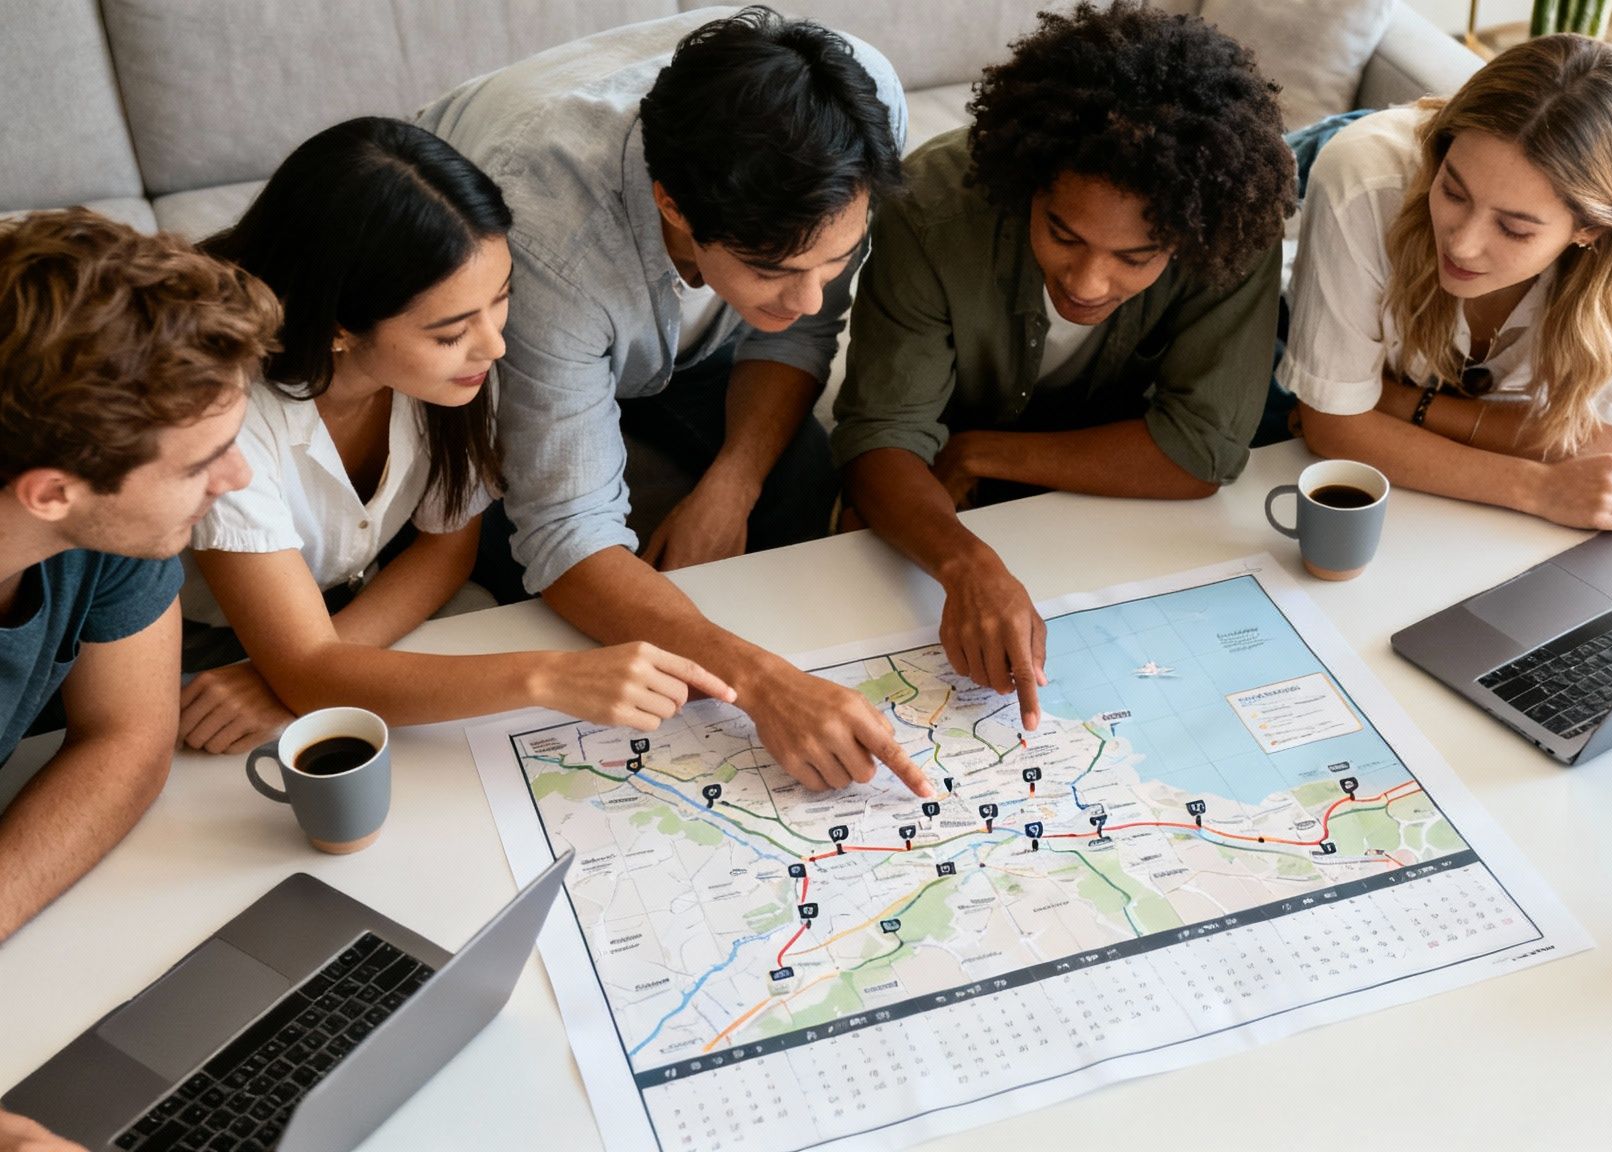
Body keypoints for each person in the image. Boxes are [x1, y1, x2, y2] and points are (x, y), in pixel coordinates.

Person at [416, 8, 929, 796]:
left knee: (798, 478)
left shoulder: (860, 105)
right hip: (505, 323)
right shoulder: (542, 228)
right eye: (771, 268)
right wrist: (764, 687)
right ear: (675, 207)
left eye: (834, 259)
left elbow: (798, 332)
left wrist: (733, 482)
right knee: (528, 579)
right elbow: (565, 534)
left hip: (690, 324)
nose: (811, 295)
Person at [173, 117, 734, 755]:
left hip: (346, 615)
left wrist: (300, 671)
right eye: (449, 332)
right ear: (338, 326)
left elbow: (445, 550)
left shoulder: (459, 368)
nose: (494, 344)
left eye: (502, 297)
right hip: (201, 644)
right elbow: (306, 666)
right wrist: (548, 675)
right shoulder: (225, 416)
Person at [832, 0, 1296, 729]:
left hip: (1107, 523)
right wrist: (967, 565)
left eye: (1135, 259)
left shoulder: (1229, 225)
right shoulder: (931, 206)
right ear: (1028, 188)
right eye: (1062, 234)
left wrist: (983, 452)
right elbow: (878, 437)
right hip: (948, 513)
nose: (1086, 283)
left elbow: (1202, 451)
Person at [1280, 33, 1612, 532]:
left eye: (1514, 228)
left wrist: (1392, 404)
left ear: (1590, 228)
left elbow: (1591, 443)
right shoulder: (1364, 184)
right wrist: (1537, 487)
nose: (1461, 245)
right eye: (1453, 192)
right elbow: (1334, 429)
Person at [0, 208, 277, 943]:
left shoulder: (113, 527)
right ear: (52, 492)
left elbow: (128, 737)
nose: (239, 476)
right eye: (199, 464)